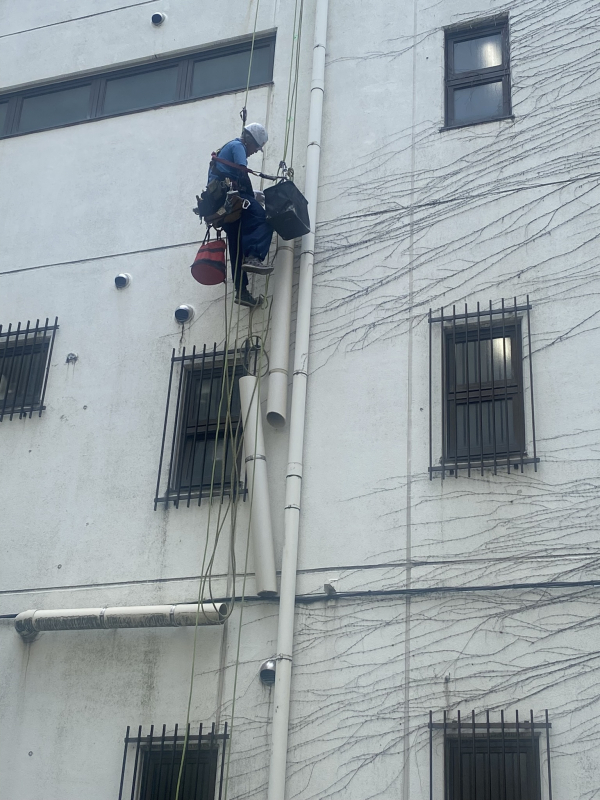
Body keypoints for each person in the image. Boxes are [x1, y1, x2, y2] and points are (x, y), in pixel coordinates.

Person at [207, 123, 274, 308]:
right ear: (250, 141)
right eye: (256, 148)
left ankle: (242, 292)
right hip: (230, 198)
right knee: (262, 218)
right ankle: (254, 256)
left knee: (236, 244)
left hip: (221, 204)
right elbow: (242, 173)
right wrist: (252, 197)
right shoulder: (238, 146)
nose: (254, 152)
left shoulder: (228, 148)